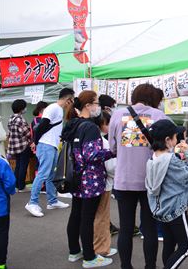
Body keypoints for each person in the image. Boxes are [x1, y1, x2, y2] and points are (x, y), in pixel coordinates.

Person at [109, 84, 170, 269]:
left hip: (123, 180)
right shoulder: (159, 116)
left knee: (126, 228)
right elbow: (168, 149)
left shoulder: (117, 115)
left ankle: (126, 266)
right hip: (151, 181)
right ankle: (150, 266)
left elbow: (112, 148)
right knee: (149, 228)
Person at [64, 91, 114, 268]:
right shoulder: (90, 127)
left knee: (76, 215)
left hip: (76, 176)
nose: (98, 107)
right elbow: (91, 155)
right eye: (96, 103)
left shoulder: (73, 123)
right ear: (87, 105)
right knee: (87, 218)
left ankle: (74, 251)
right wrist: (112, 152)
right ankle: (90, 257)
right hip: (90, 179)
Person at [146, 119, 188, 269]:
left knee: (169, 244)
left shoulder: (152, 159)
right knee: (186, 247)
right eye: (175, 137)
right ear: (167, 140)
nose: (177, 139)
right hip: (175, 209)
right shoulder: (171, 160)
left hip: (161, 208)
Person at [25, 88, 74, 217]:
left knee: (51, 174)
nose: (72, 103)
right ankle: (32, 203)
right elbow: (41, 126)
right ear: (68, 99)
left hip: (50, 145)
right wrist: (35, 142)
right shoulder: (53, 108)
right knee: (43, 174)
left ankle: (52, 201)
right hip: (46, 145)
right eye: (72, 100)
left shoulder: (57, 109)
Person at [92, 111, 118, 258]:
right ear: (101, 124)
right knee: (102, 217)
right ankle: (102, 248)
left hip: (88, 184)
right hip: (104, 183)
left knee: (92, 216)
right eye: (107, 123)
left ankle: (92, 247)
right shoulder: (103, 141)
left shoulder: (89, 138)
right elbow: (111, 167)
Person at [7, 99, 32, 192]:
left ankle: (16, 185)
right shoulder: (20, 119)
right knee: (23, 166)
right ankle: (21, 186)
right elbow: (27, 133)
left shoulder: (11, 118)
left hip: (14, 146)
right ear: (21, 109)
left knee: (18, 166)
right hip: (23, 145)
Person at [0, 154, 16, 269]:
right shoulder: (1, 162)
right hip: (0, 207)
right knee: (1, 234)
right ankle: (0, 264)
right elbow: (10, 183)